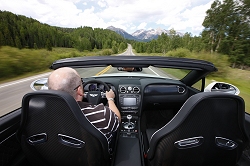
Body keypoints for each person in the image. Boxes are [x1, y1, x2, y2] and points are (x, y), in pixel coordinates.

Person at [47, 67, 121, 149]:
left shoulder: (43, 115)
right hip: (96, 159)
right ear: (80, 91)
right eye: (81, 82)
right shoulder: (103, 115)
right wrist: (110, 99)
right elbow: (117, 119)